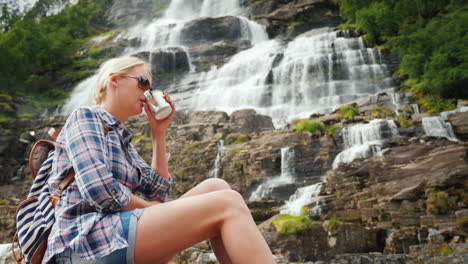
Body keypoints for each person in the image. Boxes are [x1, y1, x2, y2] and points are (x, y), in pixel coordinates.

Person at [43, 56, 275, 264]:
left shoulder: (120, 137)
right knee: (227, 202)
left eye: (150, 88)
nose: (147, 94)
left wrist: (158, 133)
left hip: (115, 234)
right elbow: (99, 189)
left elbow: (158, 193)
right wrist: (148, 208)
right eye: (143, 82)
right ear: (114, 81)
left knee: (217, 187)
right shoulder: (85, 116)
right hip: (86, 242)